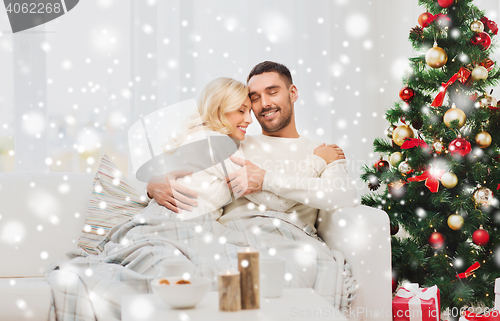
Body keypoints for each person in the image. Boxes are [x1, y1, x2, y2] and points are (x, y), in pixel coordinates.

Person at [147, 61, 357, 233]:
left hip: (290, 238)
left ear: (292, 93)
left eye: (272, 92)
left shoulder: (322, 151)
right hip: (229, 237)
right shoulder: (234, 142)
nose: (264, 103)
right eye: (254, 98)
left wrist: (266, 179)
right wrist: (152, 185)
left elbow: (344, 196)